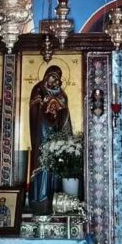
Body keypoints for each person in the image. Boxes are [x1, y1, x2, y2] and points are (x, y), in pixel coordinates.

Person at [29, 65, 72, 206]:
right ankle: (40, 195)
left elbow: (64, 106)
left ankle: (54, 195)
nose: (53, 80)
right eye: (52, 76)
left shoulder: (60, 92)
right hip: (41, 127)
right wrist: (45, 103)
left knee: (55, 157)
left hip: (55, 130)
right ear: (47, 76)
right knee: (42, 158)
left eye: (56, 78)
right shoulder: (38, 88)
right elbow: (34, 106)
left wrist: (57, 103)